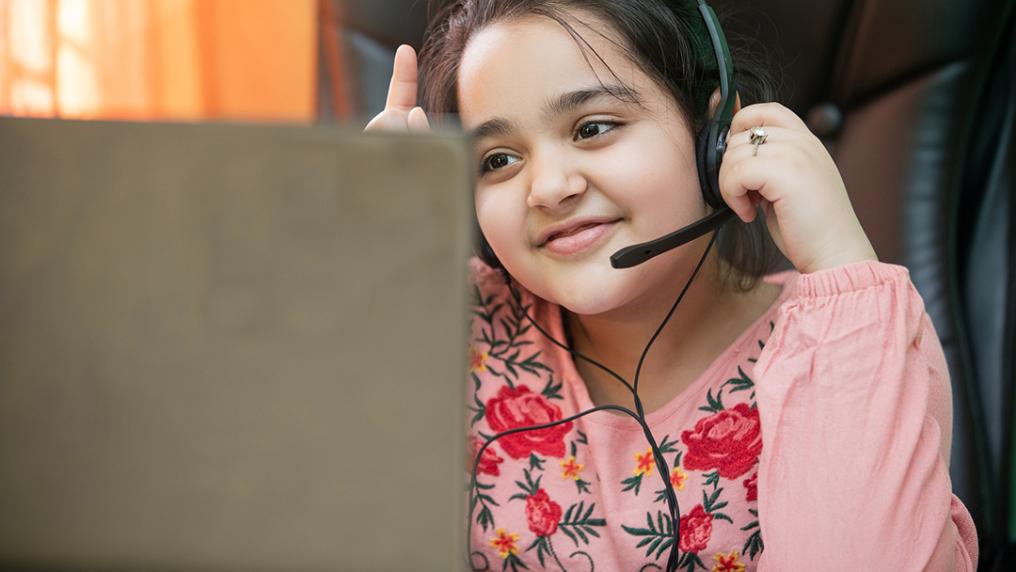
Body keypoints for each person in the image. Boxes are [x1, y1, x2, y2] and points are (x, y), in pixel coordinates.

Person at [365, 1, 980, 569]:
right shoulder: (445, 320)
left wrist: (840, 262)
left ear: (714, 136)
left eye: (592, 127)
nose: (549, 188)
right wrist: (351, 269)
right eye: (497, 160)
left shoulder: (851, 340)